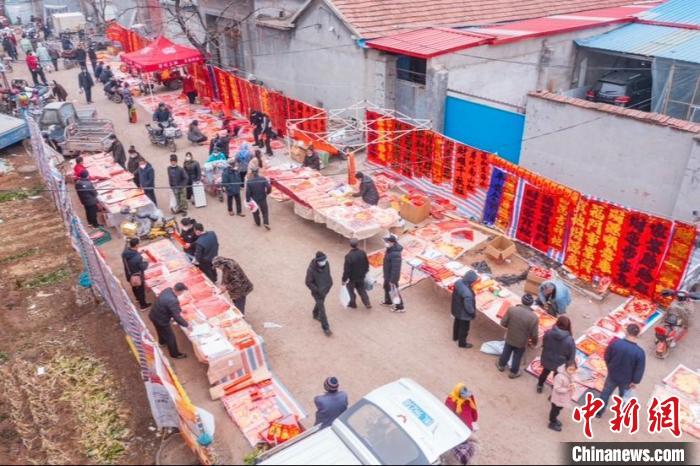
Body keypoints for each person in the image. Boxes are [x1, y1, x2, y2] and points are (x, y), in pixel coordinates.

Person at [596, 323, 646, 418]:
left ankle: (599, 412)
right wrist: (635, 381)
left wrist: (610, 367)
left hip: (612, 375)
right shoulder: (639, 352)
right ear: (637, 335)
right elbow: (639, 369)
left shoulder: (615, 343)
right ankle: (621, 413)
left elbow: (607, 356)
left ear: (626, 331)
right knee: (624, 397)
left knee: (605, 394)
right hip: (627, 380)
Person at [497, 294, 539, 378]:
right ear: (531, 304)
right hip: (522, 341)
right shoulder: (534, 317)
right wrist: (534, 343)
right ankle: (513, 372)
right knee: (517, 356)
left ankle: (501, 365)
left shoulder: (512, 309)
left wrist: (511, 328)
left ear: (522, 301)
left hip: (510, 336)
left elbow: (503, 323)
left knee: (506, 351)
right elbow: (534, 334)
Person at [149, 283, 189, 359]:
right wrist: (187, 325)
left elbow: (169, 307)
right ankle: (175, 354)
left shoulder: (168, 290)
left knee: (159, 329)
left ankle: (162, 342)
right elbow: (177, 317)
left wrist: (179, 310)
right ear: (179, 292)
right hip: (162, 319)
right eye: (182, 292)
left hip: (153, 315)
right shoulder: (173, 300)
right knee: (170, 337)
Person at [537, 315, 576, 393]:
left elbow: (544, 343)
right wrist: (569, 364)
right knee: (557, 377)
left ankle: (539, 386)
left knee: (544, 372)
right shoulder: (569, 340)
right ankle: (554, 392)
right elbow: (572, 354)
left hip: (547, 358)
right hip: (560, 363)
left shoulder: (549, 332)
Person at [445, 383, 480, 465]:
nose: (466, 396)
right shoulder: (467, 401)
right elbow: (475, 416)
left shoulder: (451, 399)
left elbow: (446, 415)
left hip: (458, 431)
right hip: (462, 431)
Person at [306, 251, 333, 337]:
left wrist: (330, 284)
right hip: (317, 293)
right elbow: (308, 282)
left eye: (325, 259)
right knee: (322, 309)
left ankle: (314, 313)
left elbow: (328, 274)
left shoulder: (327, 264)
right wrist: (317, 290)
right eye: (322, 260)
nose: (324, 261)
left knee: (320, 304)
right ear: (317, 261)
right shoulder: (311, 270)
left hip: (325, 289)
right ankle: (326, 328)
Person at [451, 270, 479, 349]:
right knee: (464, 328)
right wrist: (473, 313)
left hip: (456, 308)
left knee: (457, 323)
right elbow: (469, 307)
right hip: (464, 314)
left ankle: (455, 337)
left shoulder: (458, 282)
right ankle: (462, 343)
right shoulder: (468, 294)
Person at [342, 238, 371, 309]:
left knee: (350, 290)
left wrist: (344, 279)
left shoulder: (348, 256)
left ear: (350, 245)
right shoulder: (362, 252)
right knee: (361, 289)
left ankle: (353, 304)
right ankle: (367, 303)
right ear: (357, 244)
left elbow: (347, 270)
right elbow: (367, 263)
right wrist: (365, 271)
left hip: (352, 278)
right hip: (361, 276)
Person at [122, 237, 150, 310]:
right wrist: (147, 262)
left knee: (134, 287)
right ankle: (143, 305)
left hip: (129, 274)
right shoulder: (138, 258)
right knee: (140, 290)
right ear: (137, 245)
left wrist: (140, 253)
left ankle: (137, 298)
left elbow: (132, 257)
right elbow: (142, 267)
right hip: (137, 276)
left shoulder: (125, 252)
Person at [549, 362, 577, 432]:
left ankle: (554, 419)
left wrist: (572, 384)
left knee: (559, 409)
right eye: (570, 369)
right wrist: (568, 389)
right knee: (555, 410)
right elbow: (557, 389)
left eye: (574, 370)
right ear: (565, 368)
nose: (572, 372)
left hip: (563, 397)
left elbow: (572, 379)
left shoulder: (570, 374)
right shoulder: (559, 377)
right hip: (558, 398)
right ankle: (552, 422)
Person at [382, 234, 404, 312]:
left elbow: (396, 269)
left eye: (387, 241)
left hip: (392, 277)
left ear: (392, 242)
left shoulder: (395, 254)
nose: (385, 243)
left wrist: (393, 280)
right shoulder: (390, 249)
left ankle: (399, 307)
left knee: (395, 292)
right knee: (386, 287)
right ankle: (388, 301)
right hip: (387, 275)